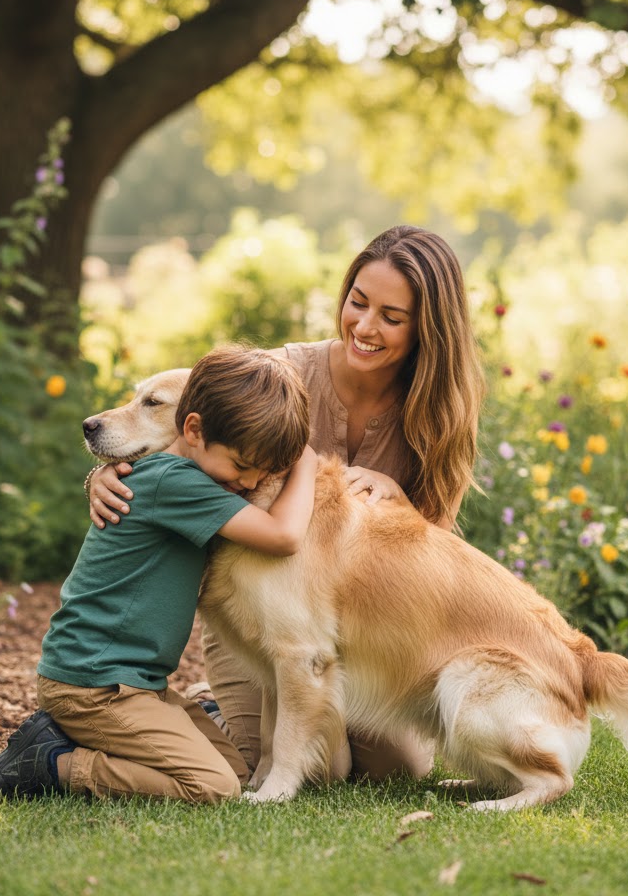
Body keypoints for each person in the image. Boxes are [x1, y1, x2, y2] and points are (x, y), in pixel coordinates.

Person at [85, 225, 486, 782]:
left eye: (391, 318)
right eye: (357, 303)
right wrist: (102, 476)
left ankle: (305, 707)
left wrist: (400, 503)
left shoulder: (437, 416)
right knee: (287, 764)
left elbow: (433, 557)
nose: (365, 327)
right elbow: (174, 420)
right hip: (261, 618)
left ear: (428, 329)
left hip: (361, 629)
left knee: (398, 771)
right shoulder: (276, 376)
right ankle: (210, 708)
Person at [0, 345, 317, 803]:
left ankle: (84, 737)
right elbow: (283, 536)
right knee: (214, 788)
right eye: (242, 466)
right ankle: (51, 764)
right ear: (194, 429)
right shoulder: (175, 482)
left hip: (136, 684)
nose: (252, 482)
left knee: (237, 772)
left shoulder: (176, 475)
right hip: (95, 685)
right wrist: (307, 462)